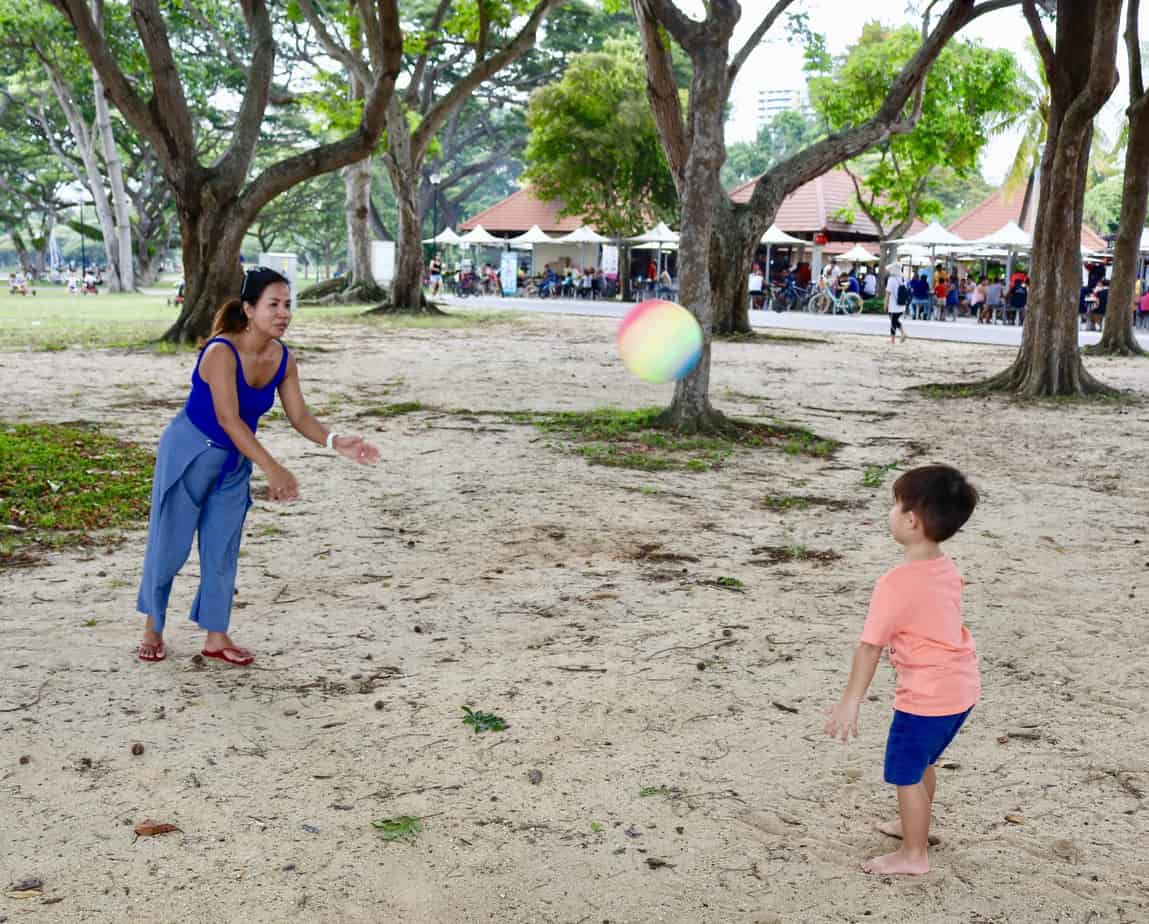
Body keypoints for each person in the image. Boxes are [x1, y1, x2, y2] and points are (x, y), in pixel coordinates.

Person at [136, 267, 380, 666]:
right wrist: (273, 468)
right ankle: (153, 625)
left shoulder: (283, 358)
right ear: (248, 309)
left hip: (234, 463)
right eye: (273, 305)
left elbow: (300, 416)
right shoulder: (220, 351)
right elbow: (229, 419)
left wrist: (337, 442)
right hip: (190, 453)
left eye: (288, 304)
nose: (283, 313)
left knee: (222, 550)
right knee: (170, 545)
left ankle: (216, 636)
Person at [825, 465, 980, 876]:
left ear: (911, 520)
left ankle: (914, 854)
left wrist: (850, 701)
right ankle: (915, 825)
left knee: (906, 771)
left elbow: (870, 647)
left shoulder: (896, 583)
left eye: (895, 504)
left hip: (927, 697)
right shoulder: (946, 568)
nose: (891, 512)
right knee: (923, 760)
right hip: (960, 690)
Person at [886, 263, 909, 344]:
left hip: (893, 305)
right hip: (901, 304)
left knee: (893, 322)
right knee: (895, 320)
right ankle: (903, 333)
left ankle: (893, 340)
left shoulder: (891, 279)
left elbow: (888, 294)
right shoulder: (903, 279)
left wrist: (885, 304)